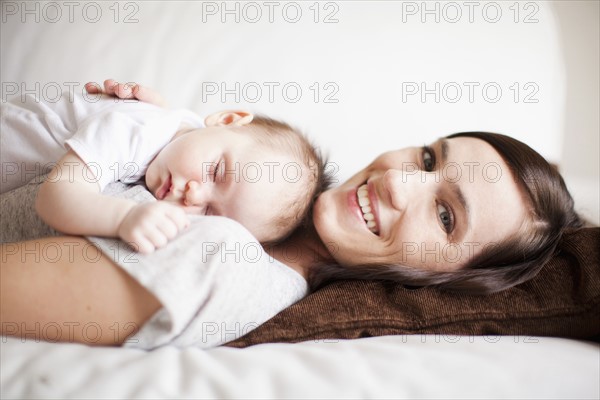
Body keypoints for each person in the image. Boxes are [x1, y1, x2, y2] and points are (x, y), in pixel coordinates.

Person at [0, 81, 583, 348]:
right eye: (429, 157)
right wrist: (152, 137)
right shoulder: (261, 176)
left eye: (447, 217)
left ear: (448, 281)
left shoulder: (226, 264)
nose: (399, 178)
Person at [0, 83, 326, 250]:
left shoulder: (187, 134)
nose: (194, 197)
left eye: (211, 213)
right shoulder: (138, 128)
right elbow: (56, 197)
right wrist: (124, 217)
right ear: (226, 119)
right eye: (215, 172)